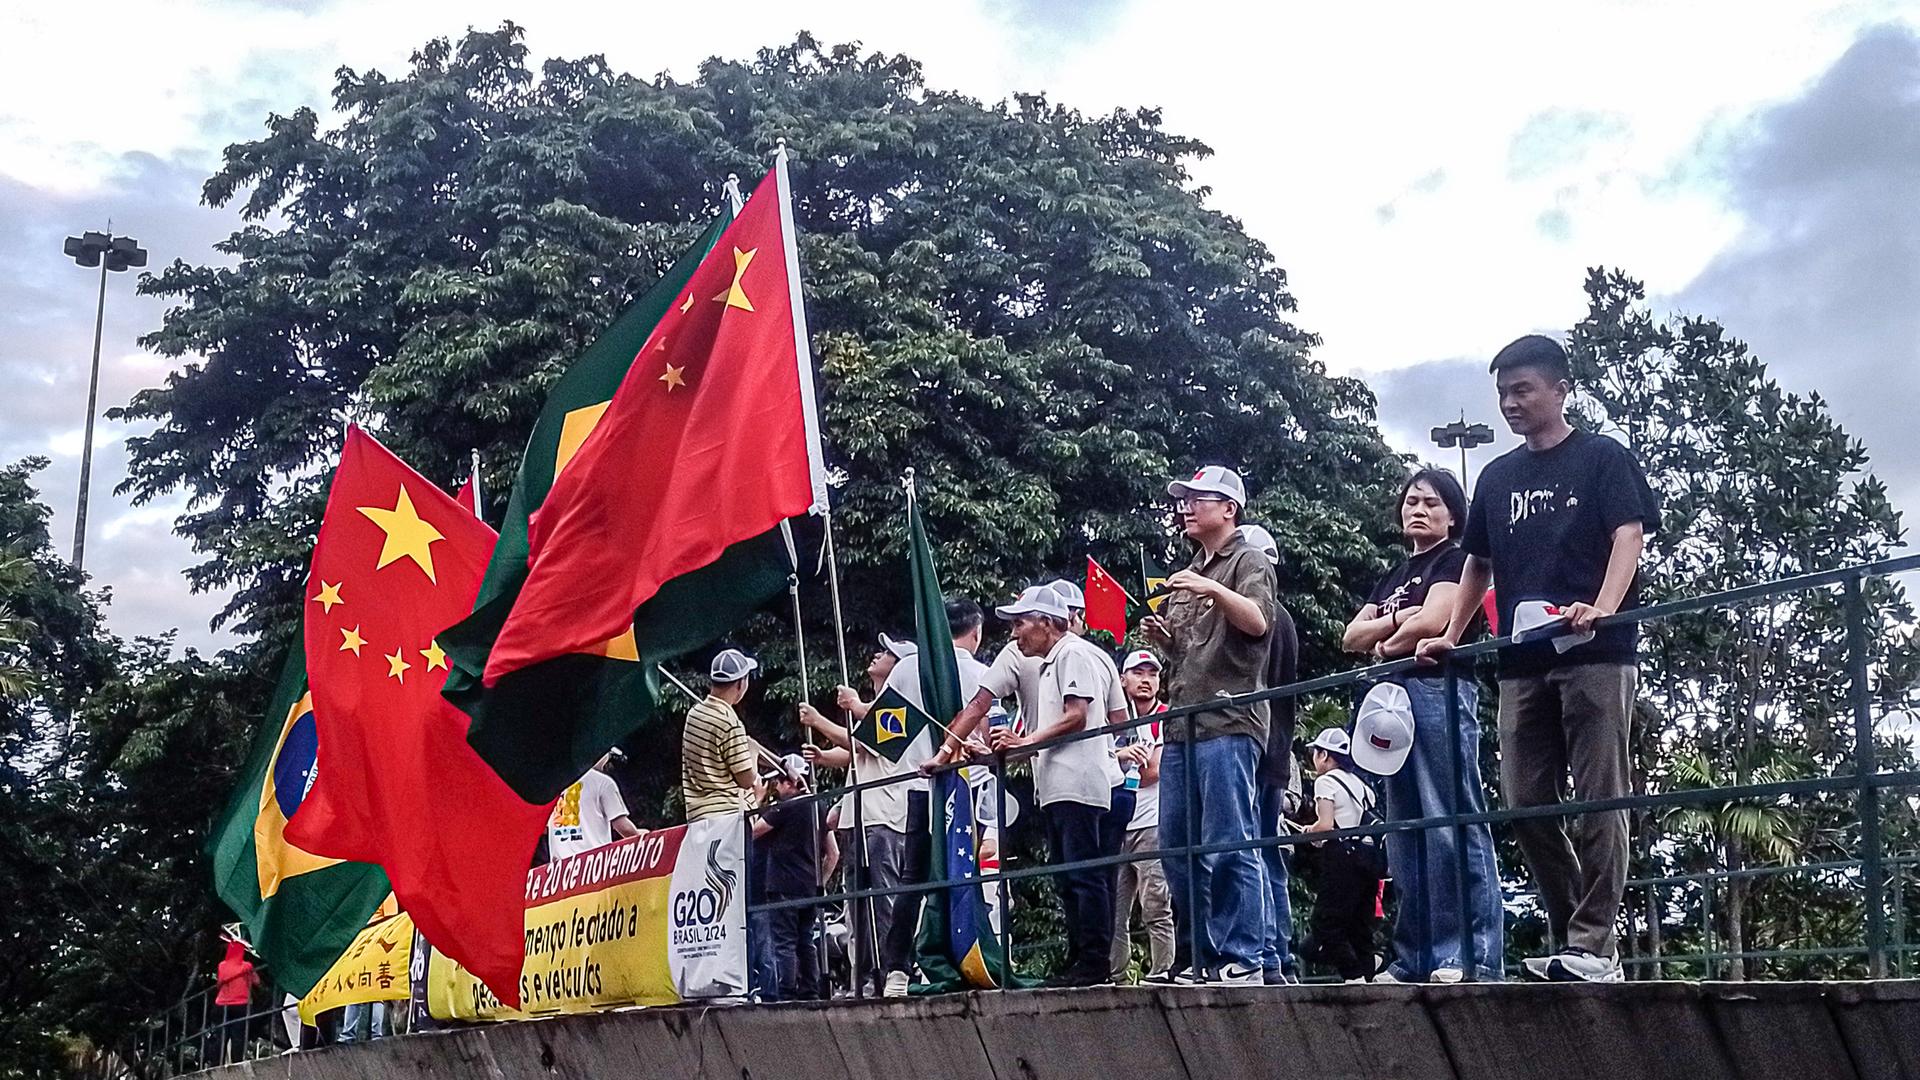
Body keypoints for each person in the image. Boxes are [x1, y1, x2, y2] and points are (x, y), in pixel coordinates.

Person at [1417, 334, 1661, 984]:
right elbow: (1478, 564)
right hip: (1522, 660)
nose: (1510, 403)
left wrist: (1603, 606)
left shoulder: (1603, 458)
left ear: (1560, 389)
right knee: (1524, 800)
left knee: (1599, 796)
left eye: (1522, 389)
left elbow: (1628, 534)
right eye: (1503, 393)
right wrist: (1454, 633)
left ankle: (1593, 945)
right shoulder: (1497, 476)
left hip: (1597, 654)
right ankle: (1574, 941)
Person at [1345, 466, 1504, 984]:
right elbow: (1351, 636)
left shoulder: (1455, 560)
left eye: (1432, 503)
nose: (1418, 509)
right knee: (1404, 828)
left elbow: (1435, 621)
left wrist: (1387, 638)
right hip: (1392, 696)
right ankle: (1413, 955)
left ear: (1453, 515)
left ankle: (1469, 953)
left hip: (1438, 688)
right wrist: (1398, 626)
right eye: (1412, 500)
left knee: (1449, 816)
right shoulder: (1392, 575)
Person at [1143, 465, 1277, 985]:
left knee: (1228, 840)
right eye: (1185, 499)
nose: (1186, 506)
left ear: (1229, 509)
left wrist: (1210, 588)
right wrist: (1163, 637)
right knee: (1176, 844)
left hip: (1228, 719)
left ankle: (1245, 954)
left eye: (1199, 499)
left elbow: (1257, 621)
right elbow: (1188, 653)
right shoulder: (1192, 568)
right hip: (1182, 723)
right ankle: (1198, 954)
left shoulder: (1248, 559)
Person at [987, 585, 1125, 986]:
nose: (1015, 635)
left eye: (1020, 624)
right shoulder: (1057, 660)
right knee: (1070, 876)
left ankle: (1093, 961)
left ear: (1046, 623)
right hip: (1059, 781)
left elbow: (1077, 715)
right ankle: (1082, 957)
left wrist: (1025, 742)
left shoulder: (1073, 654)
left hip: (1077, 780)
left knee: (1083, 874)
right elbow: (1114, 716)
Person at [799, 635, 913, 996]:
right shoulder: (875, 707)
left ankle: (883, 972)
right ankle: (861, 976)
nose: (878, 653)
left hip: (883, 815)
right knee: (856, 904)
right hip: (861, 816)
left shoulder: (900, 705)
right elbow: (856, 755)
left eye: (888, 652)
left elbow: (864, 743)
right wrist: (823, 756)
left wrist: (820, 720)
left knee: (880, 900)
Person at [1237, 523, 1300, 984]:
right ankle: (1279, 955)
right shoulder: (1287, 619)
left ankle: (1260, 954)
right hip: (1276, 751)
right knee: (1266, 853)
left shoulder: (1261, 618)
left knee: (1246, 850)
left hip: (1252, 746)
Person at [1109, 650, 1175, 983]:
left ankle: (1163, 970)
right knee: (1114, 910)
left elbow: (1154, 771)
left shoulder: (1165, 716)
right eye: (1138, 672)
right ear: (1123, 679)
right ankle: (1115, 975)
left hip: (1151, 821)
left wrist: (1115, 762)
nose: (1145, 679)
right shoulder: (1115, 717)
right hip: (1118, 823)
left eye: (1152, 673)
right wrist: (1123, 757)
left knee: (1156, 906)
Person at [1299, 728, 1384, 982]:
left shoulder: (1325, 781)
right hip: (1367, 861)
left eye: (1315, 753)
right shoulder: (1362, 785)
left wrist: (1308, 831)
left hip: (1341, 858)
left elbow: (1325, 825)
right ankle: (1367, 973)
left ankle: (1353, 973)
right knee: (1359, 926)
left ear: (1325, 755)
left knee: (1326, 923)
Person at [750, 754, 826, 1002]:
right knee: (806, 940)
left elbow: (752, 831)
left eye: (781, 782)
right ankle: (810, 991)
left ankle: (787, 992)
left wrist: (757, 800)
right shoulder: (818, 805)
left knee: (784, 942)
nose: (778, 788)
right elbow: (833, 852)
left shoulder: (786, 807)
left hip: (784, 883)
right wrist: (820, 879)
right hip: (809, 885)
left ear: (792, 782)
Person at [683, 649, 764, 822]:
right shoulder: (730, 723)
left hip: (698, 816)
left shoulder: (694, 714)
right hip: (728, 818)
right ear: (741, 684)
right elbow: (746, 780)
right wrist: (753, 753)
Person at [547, 750, 641, 861]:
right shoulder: (603, 782)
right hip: (594, 867)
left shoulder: (553, 786)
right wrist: (641, 836)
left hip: (561, 871)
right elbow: (623, 827)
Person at [212, 935, 260, 1064]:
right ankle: (236, 1063)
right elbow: (256, 981)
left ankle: (217, 1063)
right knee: (238, 1036)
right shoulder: (247, 966)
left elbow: (219, 982)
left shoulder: (222, 966)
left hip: (222, 1004)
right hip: (241, 1004)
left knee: (221, 1036)